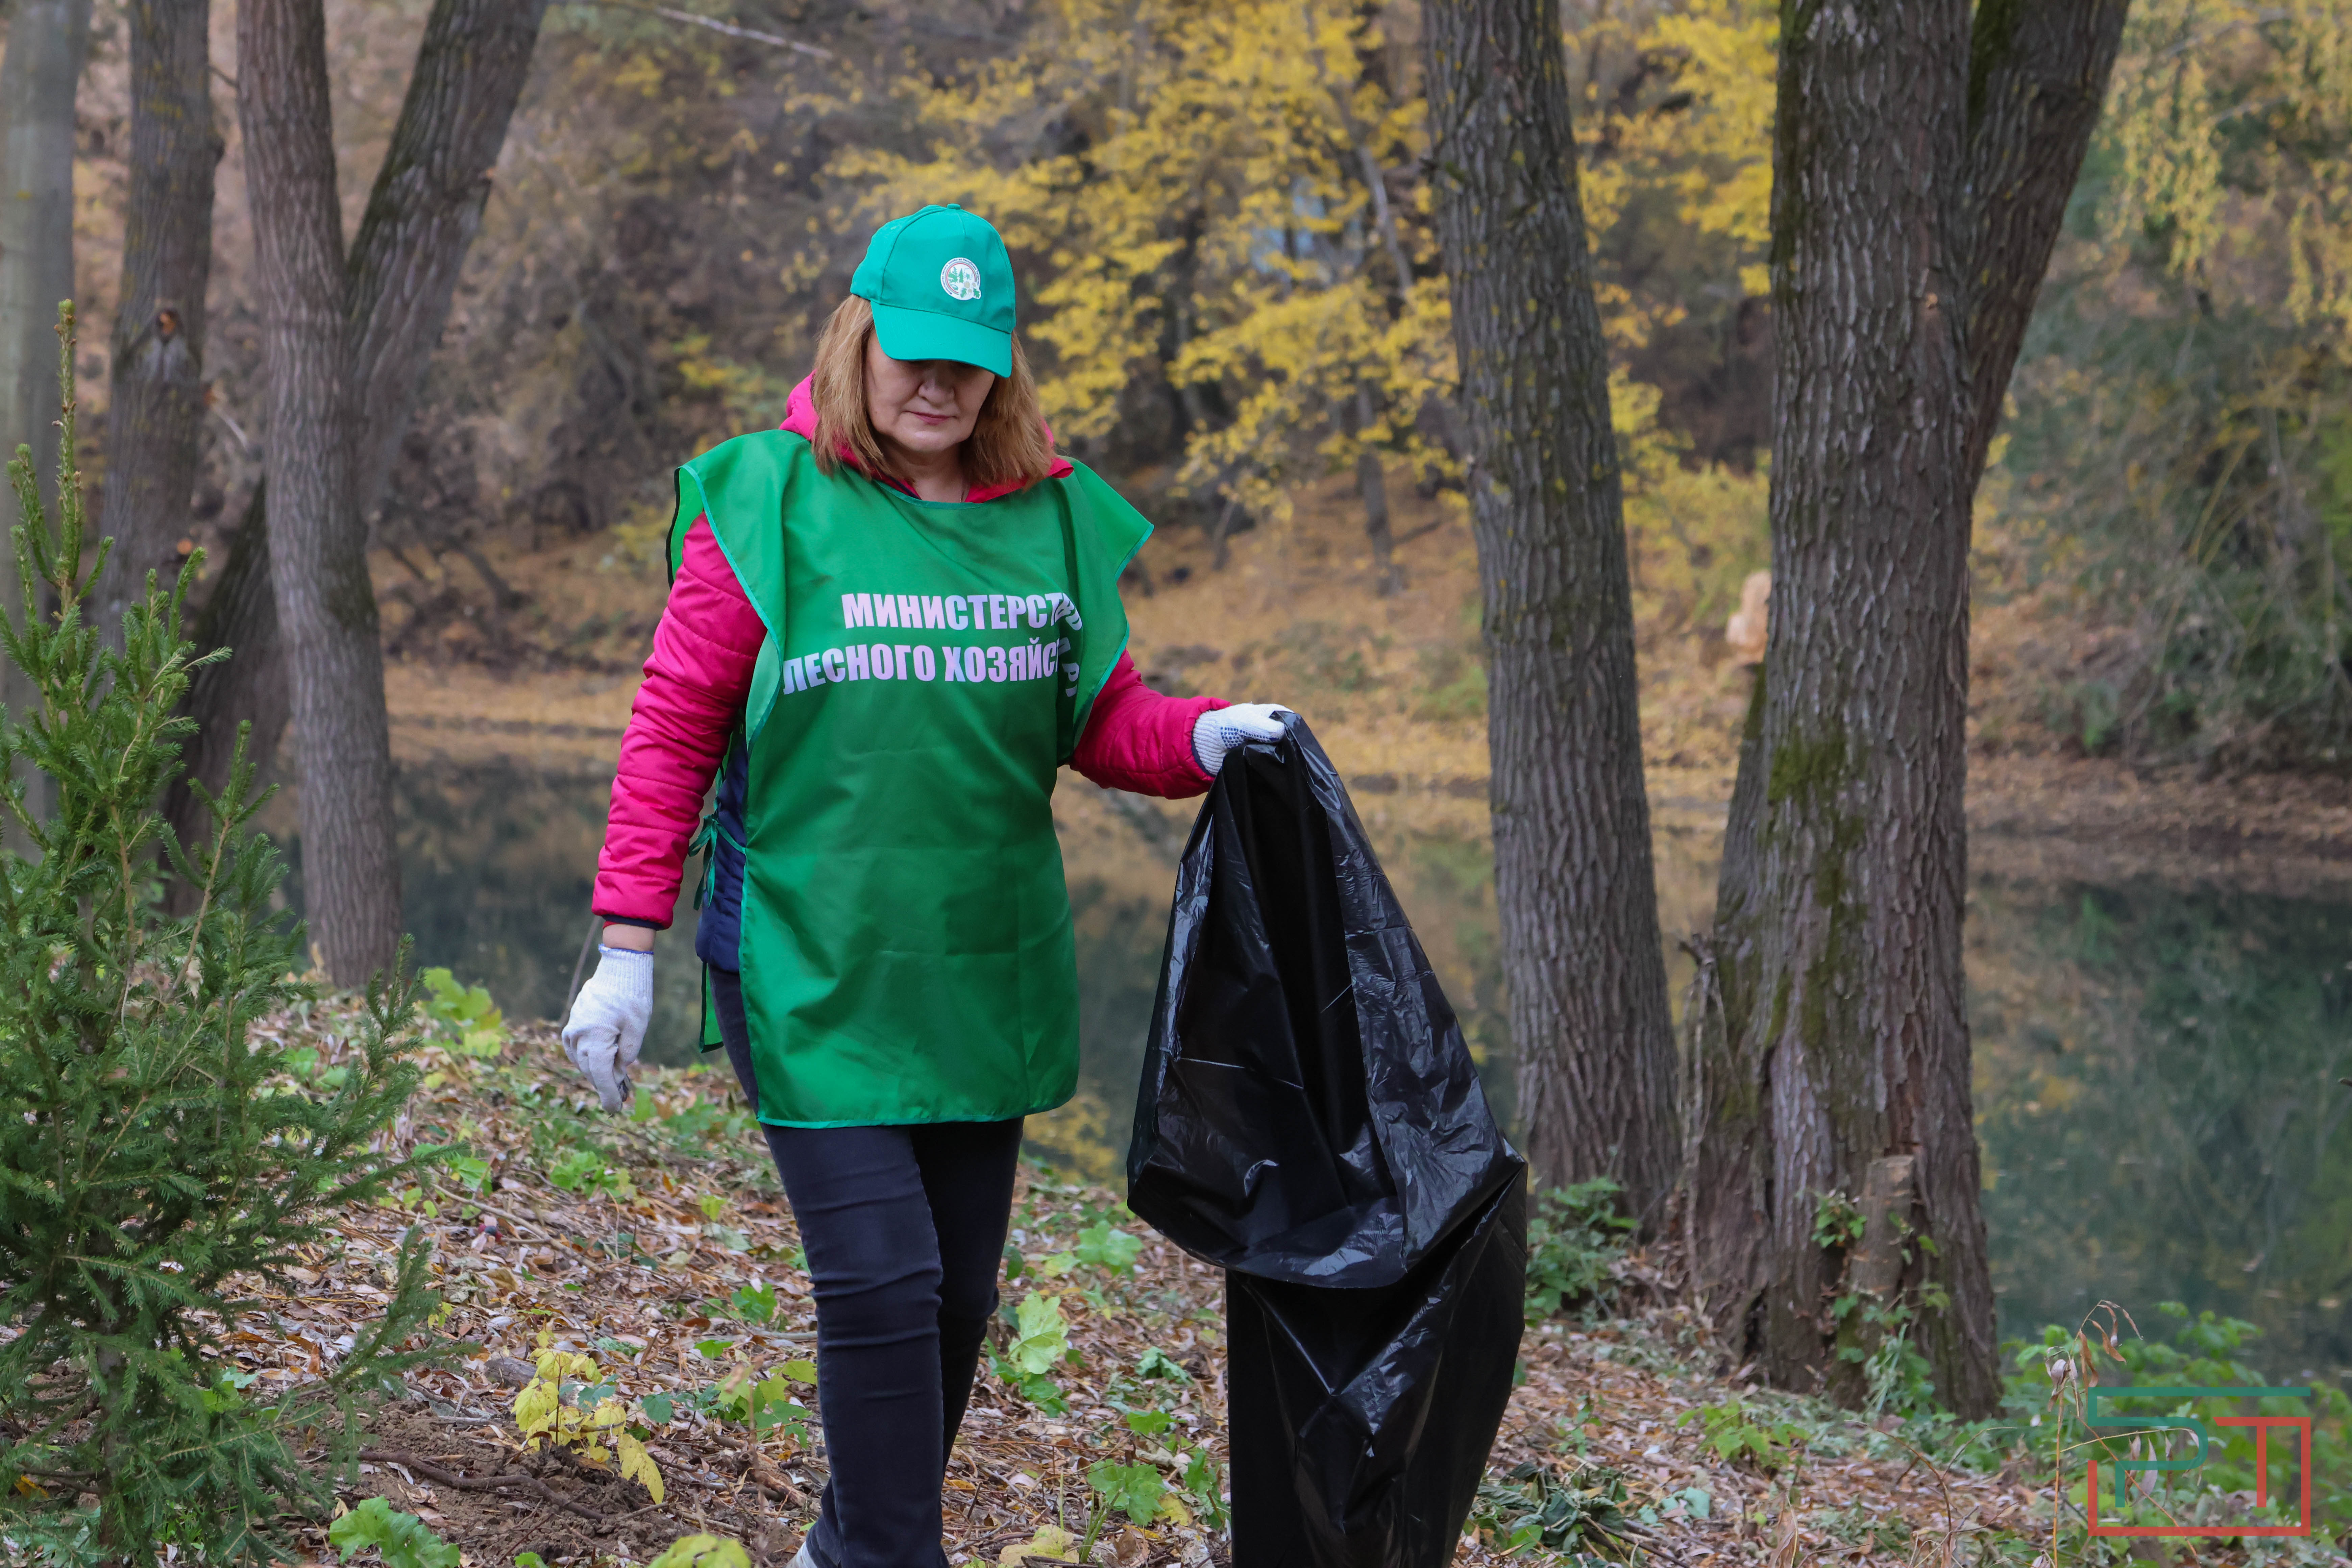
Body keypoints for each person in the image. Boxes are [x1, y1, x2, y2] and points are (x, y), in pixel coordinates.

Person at [560, 203, 1290, 1568]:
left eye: (970, 358)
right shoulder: (770, 502)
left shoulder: (1046, 517)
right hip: (809, 954)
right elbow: (673, 726)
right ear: (859, 336)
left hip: (980, 959)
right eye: (913, 352)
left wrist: (1197, 736)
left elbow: (1097, 714)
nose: (938, 383)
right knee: (882, 1275)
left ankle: (850, 1542)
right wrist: (627, 943)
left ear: (1003, 363)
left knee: (952, 1295)